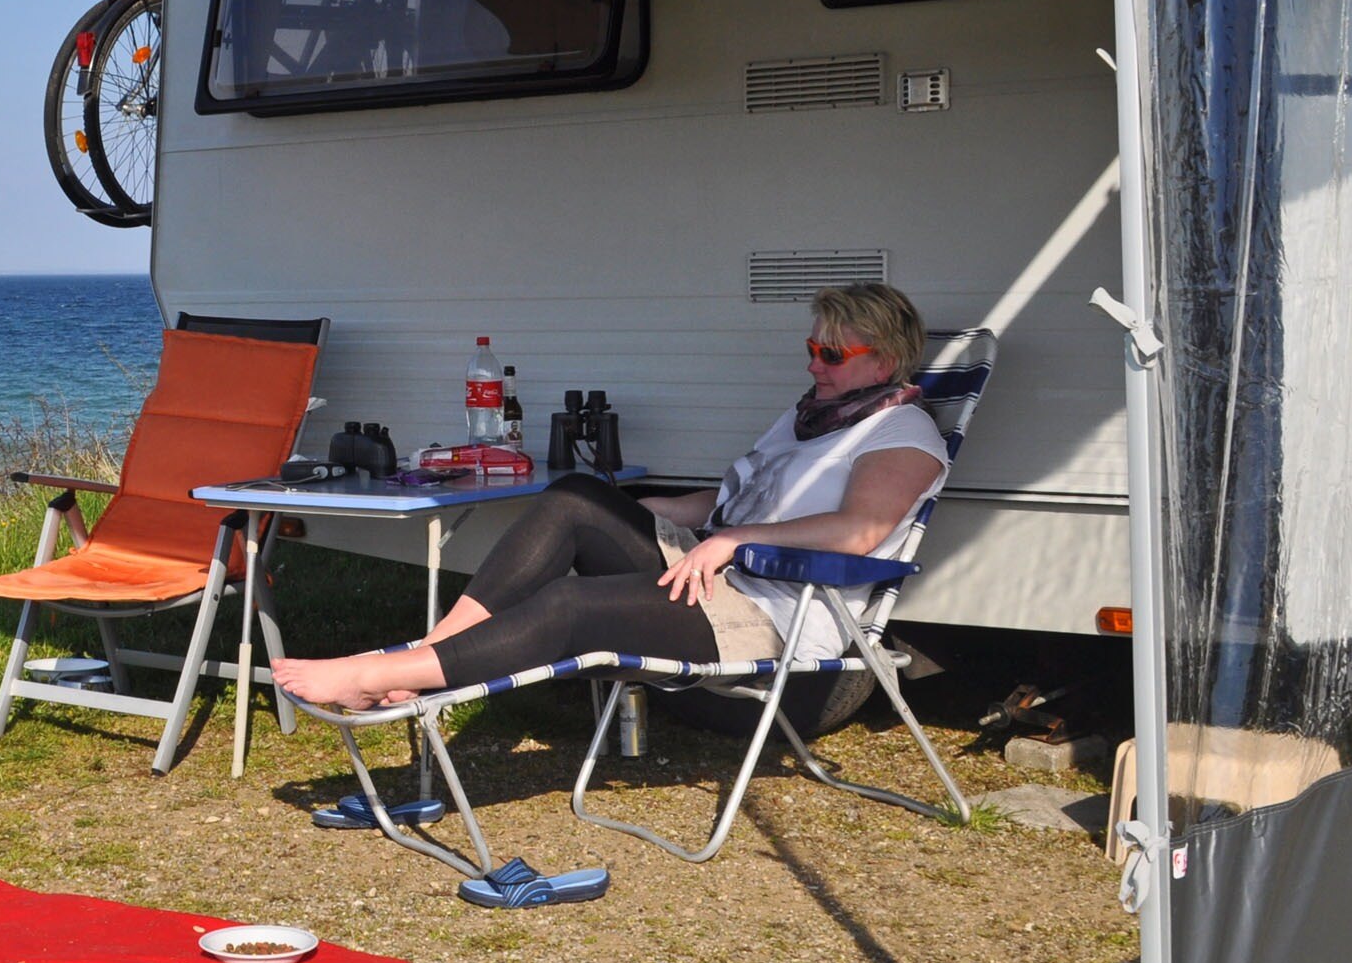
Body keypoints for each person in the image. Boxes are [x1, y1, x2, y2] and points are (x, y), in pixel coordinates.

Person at [271, 284, 948, 711]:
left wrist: (733, 541)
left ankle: (387, 673)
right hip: (716, 574)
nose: (812, 365)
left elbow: (862, 530)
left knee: (571, 605)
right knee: (575, 496)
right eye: (811, 348)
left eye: (831, 355)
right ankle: (434, 650)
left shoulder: (903, 430)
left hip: (777, 609)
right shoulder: (810, 417)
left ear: (884, 362)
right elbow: (730, 501)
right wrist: (644, 518)